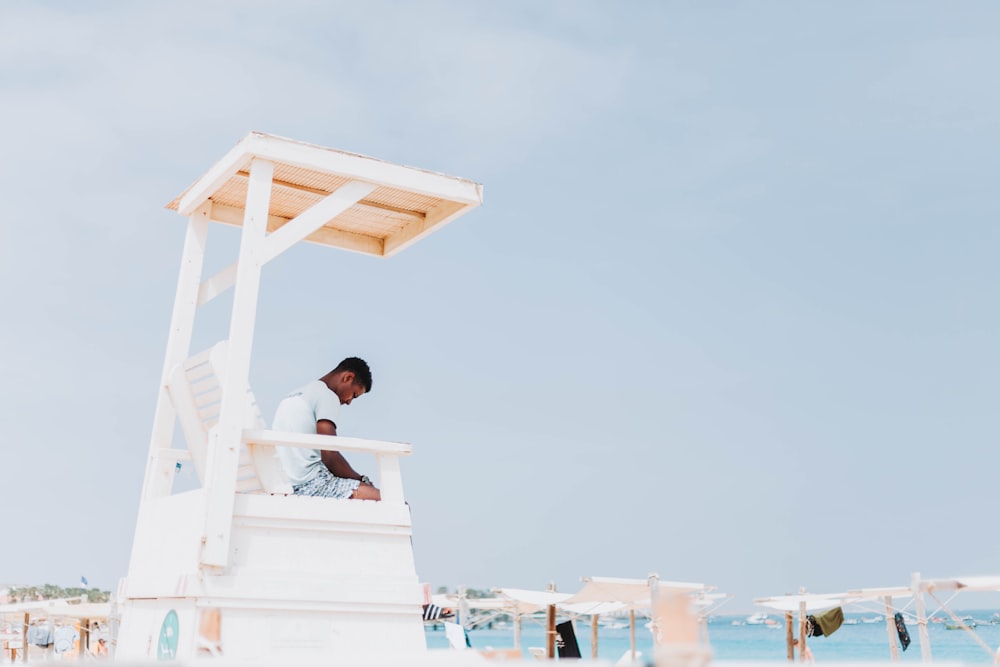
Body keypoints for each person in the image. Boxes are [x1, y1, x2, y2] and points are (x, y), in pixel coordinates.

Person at [274, 357, 380, 500]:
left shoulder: (293, 395)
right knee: (394, 503)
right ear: (348, 377)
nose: (349, 402)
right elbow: (330, 456)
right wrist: (362, 480)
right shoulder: (328, 396)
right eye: (354, 395)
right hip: (310, 485)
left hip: (281, 483)